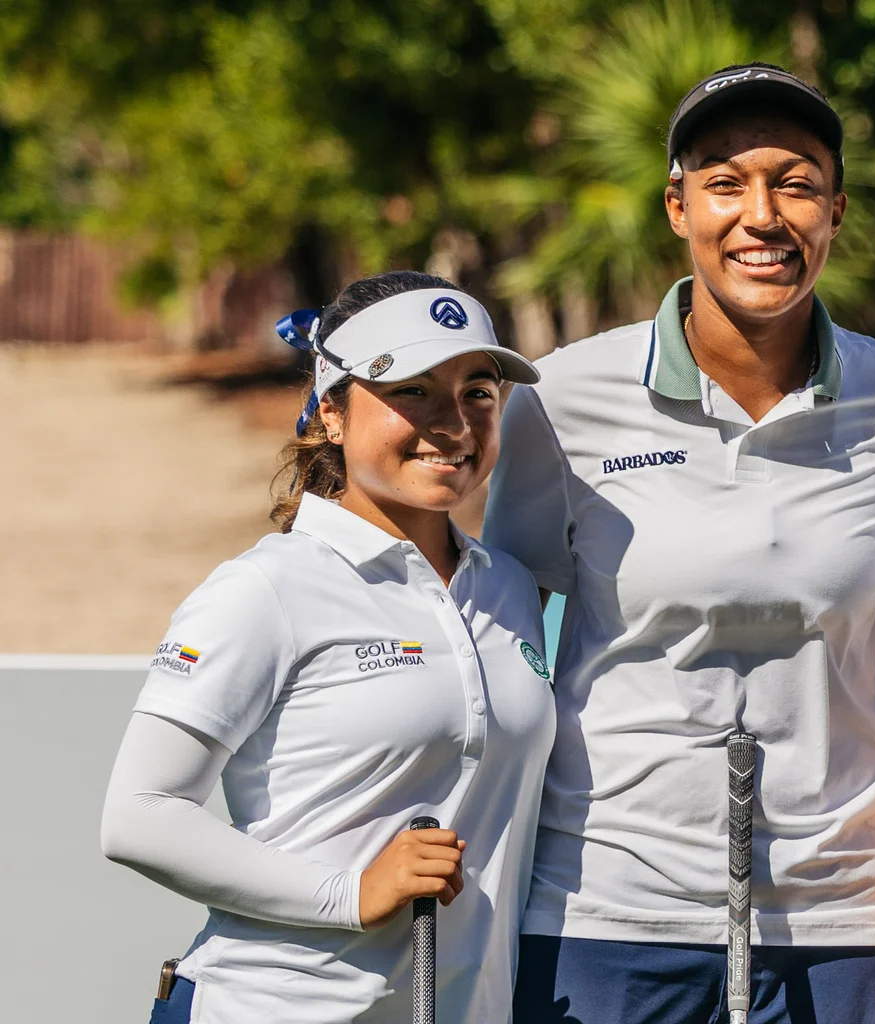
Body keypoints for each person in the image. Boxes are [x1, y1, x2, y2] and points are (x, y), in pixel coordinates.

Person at [486, 63, 875, 1024]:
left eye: (795, 183)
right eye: (724, 181)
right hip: (605, 908)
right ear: (678, 206)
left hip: (840, 918)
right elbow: (507, 637)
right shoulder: (562, 397)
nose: (763, 215)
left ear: (835, 210)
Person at [99, 271, 555, 1024]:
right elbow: (139, 814)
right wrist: (348, 894)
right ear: (333, 414)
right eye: (412, 390)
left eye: (478, 391)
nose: (455, 423)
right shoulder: (265, 589)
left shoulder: (509, 586)